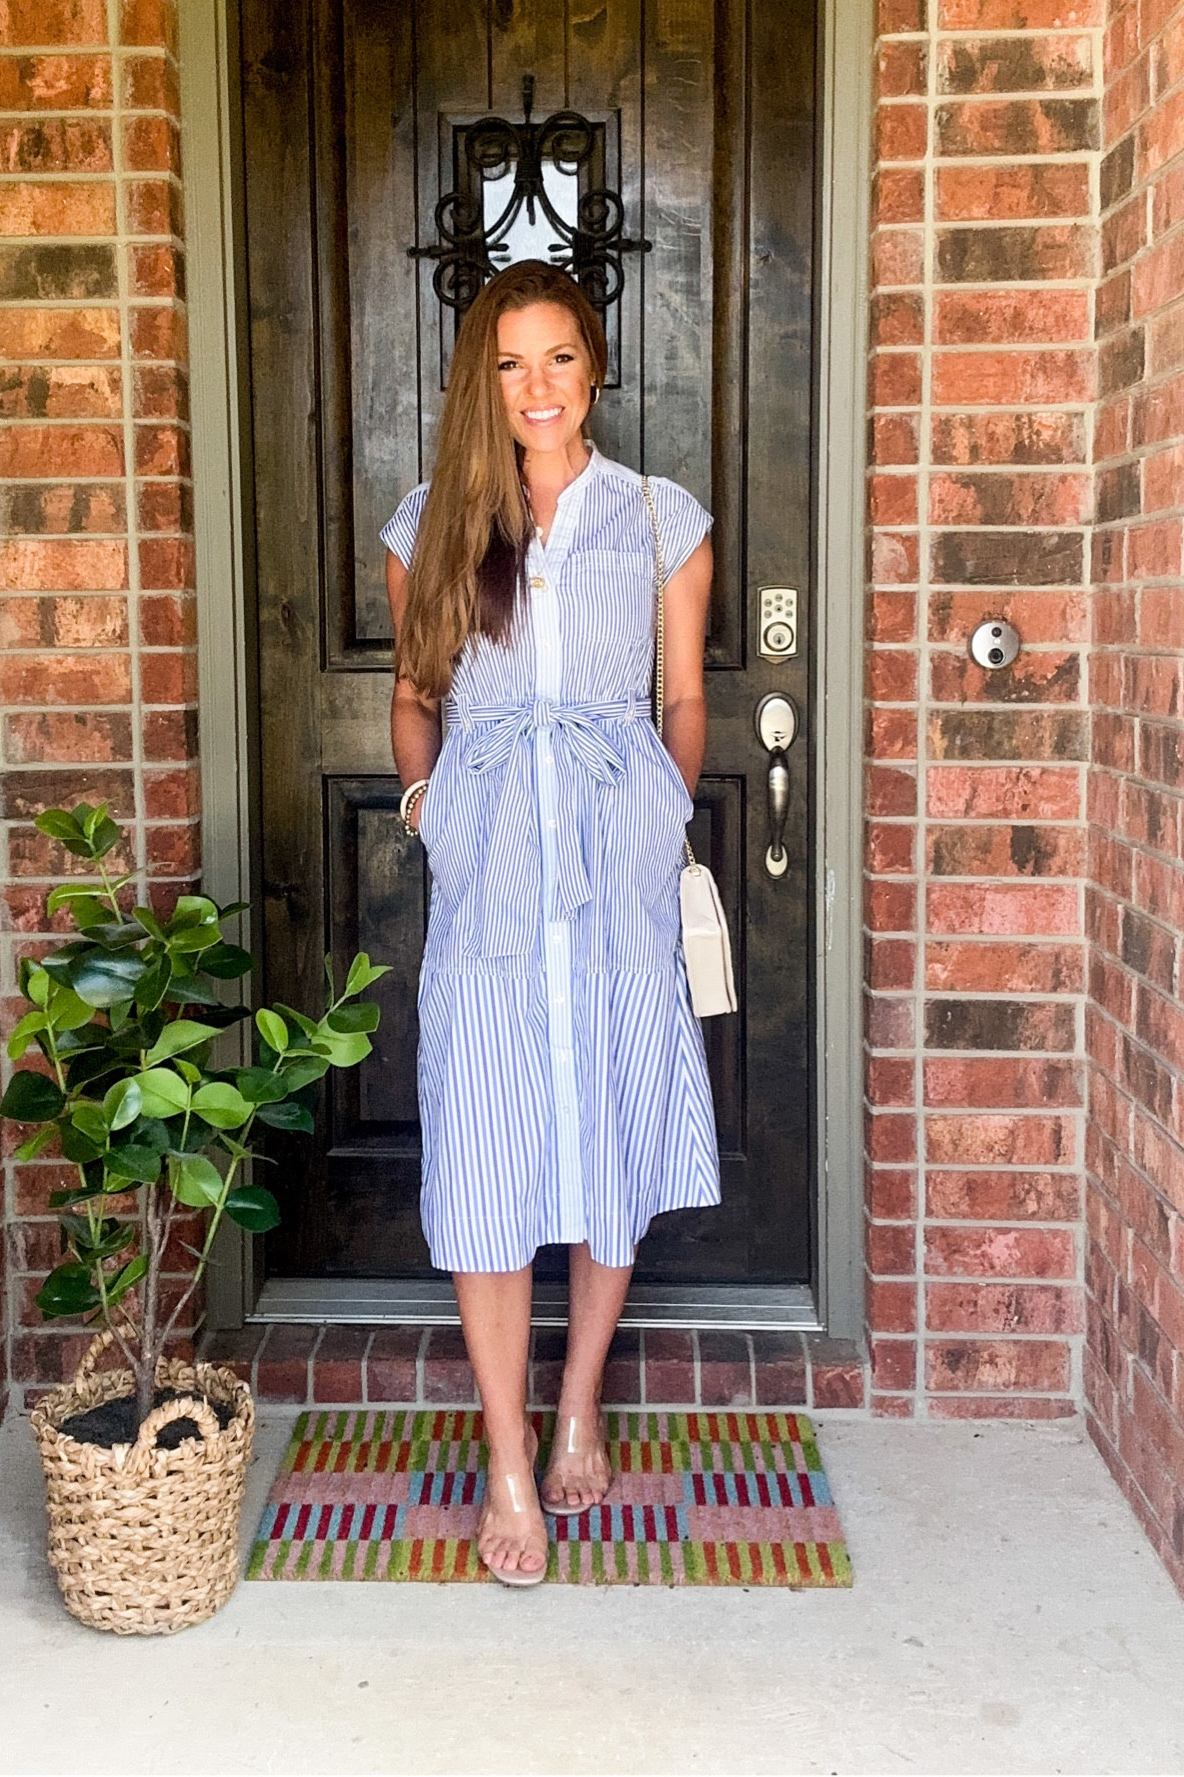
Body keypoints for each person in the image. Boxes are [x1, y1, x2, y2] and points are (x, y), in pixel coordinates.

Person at [380, 259, 719, 1586]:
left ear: (596, 365)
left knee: (608, 1133)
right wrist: (430, 807)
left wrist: (653, 816)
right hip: (491, 876)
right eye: (511, 363)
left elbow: (683, 696)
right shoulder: (434, 523)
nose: (539, 389)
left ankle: (579, 1399)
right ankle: (509, 1460)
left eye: (561, 359)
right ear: (485, 379)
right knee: (488, 1149)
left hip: (614, 868)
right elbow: (416, 691)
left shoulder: (659, 515)